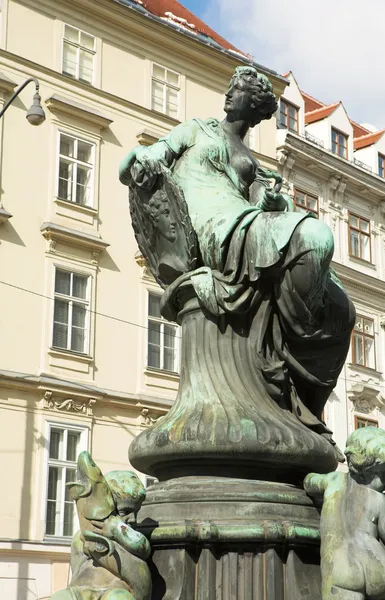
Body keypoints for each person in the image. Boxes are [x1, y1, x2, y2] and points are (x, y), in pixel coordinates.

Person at [119, 66, 355, 448]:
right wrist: (139, 160)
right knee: (314, 234)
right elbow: (143, 158)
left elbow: (269, 202)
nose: (230, 94)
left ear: (256, 106)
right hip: (210, 228)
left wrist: (272, 200)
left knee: (342, 307)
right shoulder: (196, 129)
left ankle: (293, 386)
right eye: (230, 87)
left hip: (245, 220)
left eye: (240, 90)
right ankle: (287, 352)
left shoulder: (251, 159)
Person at [304, 427, 385, 600]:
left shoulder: (333, 480)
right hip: (378, 564)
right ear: (367, 472)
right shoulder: (379, 499)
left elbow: (308, 481)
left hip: (341, 568)